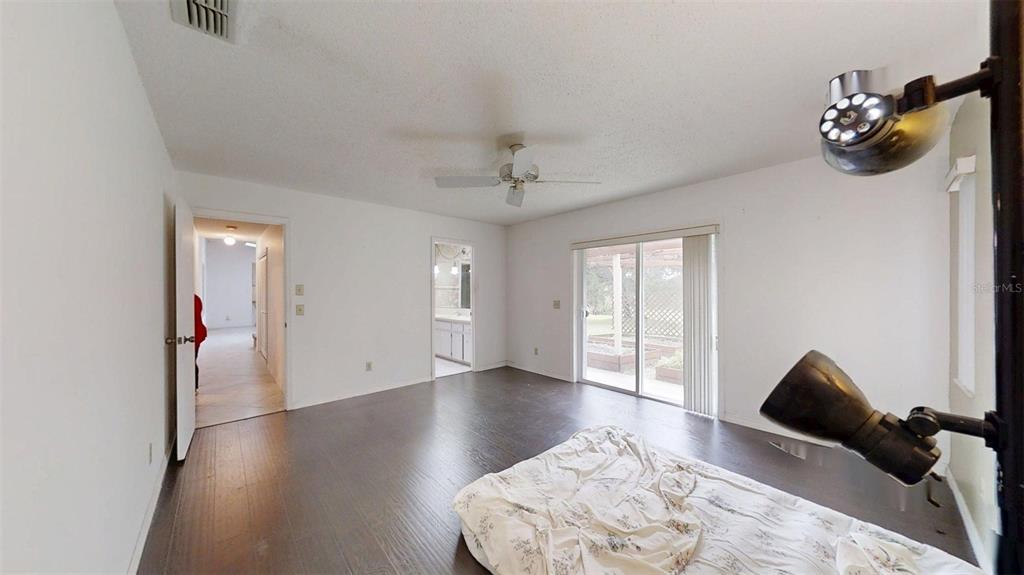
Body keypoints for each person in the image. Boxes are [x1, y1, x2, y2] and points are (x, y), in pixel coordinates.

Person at [194, 294, 208, 390]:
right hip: (197, 334)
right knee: (193, 361)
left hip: (195, 334)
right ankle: (194, 386)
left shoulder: (193, 299)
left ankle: (193, 386)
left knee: (190, 362)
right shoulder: (196, 298)